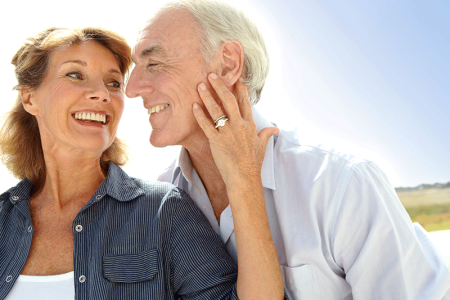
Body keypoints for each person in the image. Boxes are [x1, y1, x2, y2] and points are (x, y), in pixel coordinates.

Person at [125, 0, 450, 299]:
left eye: (154, 63)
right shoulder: (159, 202)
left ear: (227, 66)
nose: (132, 88)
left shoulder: (342, 184)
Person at [0, 26, 286, 299]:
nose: (102, 93)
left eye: (113, 83)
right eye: (75, 75)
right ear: (29, 97)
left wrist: (245, 178)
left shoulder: (164, 210)